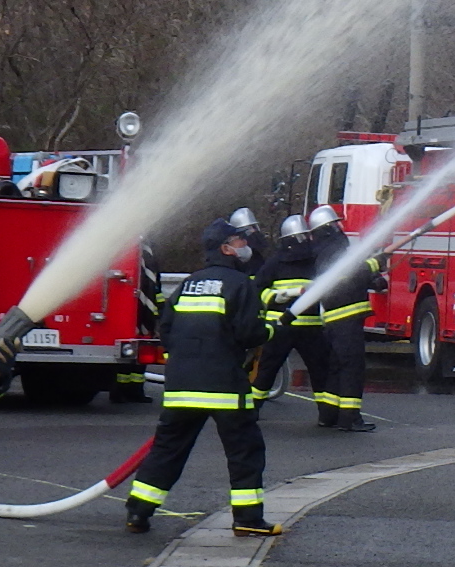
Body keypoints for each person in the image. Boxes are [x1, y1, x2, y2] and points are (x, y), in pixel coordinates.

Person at [127, 216, 282, 539]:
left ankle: (137, 511)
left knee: (167, 450)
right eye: (240, 242)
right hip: (224, 387)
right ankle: (248, 518)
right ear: (226, 249)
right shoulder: (240, 285)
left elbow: (166, 329)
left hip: (181, 388)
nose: (246, 246)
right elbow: (250, 333)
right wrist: (271, 328)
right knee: (244, 452)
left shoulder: (187, 284)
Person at [304, 204, 382, 432]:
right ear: (328, 228)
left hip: (335, 320)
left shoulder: (323, 250)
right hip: (346, 319)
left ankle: (329, 415)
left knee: (337, 367)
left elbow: (345, 279)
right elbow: (353, 272)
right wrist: (376, 264)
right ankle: (349, 418)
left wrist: (372, 280)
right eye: (336, 223)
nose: (341, 226)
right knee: (351, 368)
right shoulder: (336, 248)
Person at [254, 215, 328, 416]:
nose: (304, 242)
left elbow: (258, 288)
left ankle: (251, 412)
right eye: (302, 237)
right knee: (319, 370)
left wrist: (272, 297)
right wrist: (275, 297)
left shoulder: (276, 261)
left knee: (267, 370)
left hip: (284, 327)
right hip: (304, 327)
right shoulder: (314, 259)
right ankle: (328, 413)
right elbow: (258, 290)